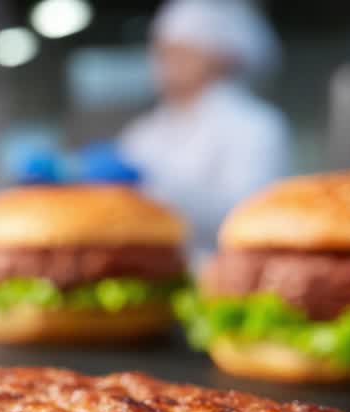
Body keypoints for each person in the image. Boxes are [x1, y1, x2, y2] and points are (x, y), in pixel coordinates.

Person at [118, 0, 290, 260]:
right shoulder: (144, 130)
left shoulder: (257, 126)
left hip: (222, 274)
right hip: (148, 266)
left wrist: (156, 183)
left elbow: (250, 217)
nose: (165, 63)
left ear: (221, 57)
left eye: (181, 52)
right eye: (163, 52)